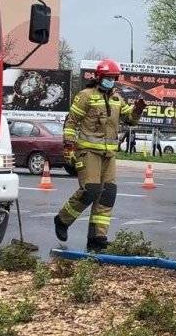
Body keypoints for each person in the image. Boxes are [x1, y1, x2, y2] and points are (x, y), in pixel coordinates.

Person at [54, 59, 145, 252]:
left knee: (107, 194)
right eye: (107, 78)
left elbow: (130, 120)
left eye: (113, 78)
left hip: (108, 155)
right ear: (99, 77)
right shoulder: (85, 96)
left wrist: (138, 110)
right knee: (91, 190)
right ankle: (62, 219)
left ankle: (97, 238)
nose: (111, 81)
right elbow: (71, 122)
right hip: (88, 152)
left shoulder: (117, 99)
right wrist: (69, 147)